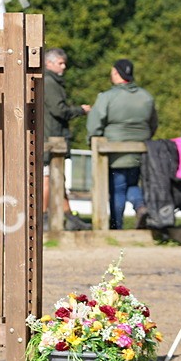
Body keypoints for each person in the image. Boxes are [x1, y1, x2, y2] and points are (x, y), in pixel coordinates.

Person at [87, 59, 158, 230]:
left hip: (113, 153)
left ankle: (116, 227)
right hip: (139, 152)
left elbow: (94, 124)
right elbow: (153, 123)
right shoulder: (146, 97)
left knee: (117, 189)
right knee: (133, 185)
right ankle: (140, 207)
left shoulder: (107, 97)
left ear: (117, 74)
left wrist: (92, 140)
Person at [43, 48, 91, 231]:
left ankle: (69, 216)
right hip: (51, 138)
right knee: (48, 178)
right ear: (49, 63)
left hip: (53, 137)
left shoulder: (51, 81)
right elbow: (58, 110)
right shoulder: (49, 82)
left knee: (57, 178)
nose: (64, 66)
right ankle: (43, 218)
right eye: (60, 63)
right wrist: (80, 110)